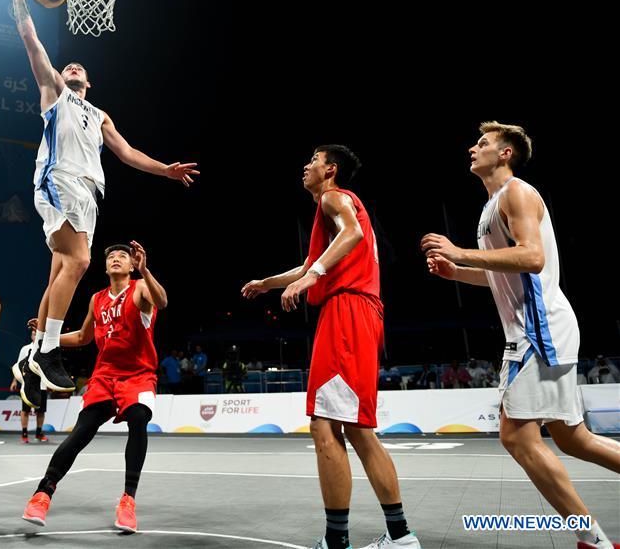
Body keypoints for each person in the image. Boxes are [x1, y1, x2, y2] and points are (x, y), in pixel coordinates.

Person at [422, 121, 620, 549]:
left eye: (483, 143)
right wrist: (459, 272)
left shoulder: (517, 193)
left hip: (539, 330)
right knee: (573, 438)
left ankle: (592, 540)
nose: (473, 148)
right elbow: (502, 274)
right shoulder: (491, 204)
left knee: (515, 435)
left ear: (505, 153)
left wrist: (458, 251)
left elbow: (532, 257)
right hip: (541, 329)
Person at [10, 0, 198, 396]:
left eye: (82, 69)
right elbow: (31, 41)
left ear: (90, 83)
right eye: (70, 65)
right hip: (60, 179)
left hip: (90, 194)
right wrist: (20, 1)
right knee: (79, 262)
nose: (74, 67)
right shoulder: (55, 91)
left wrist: (165, 169)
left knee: (60, 267)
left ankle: (33, 352)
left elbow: (128, 154)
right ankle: (47, 353)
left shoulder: (99, 115)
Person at [243, 146, 419, 549]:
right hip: (357, 312)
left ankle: (337, 541)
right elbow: (310, 265)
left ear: (330, 170)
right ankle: (400, 535)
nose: (305, 165)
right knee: (358, 431)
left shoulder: (333, 197)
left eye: (313, 160)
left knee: (325, 426)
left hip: (347, 311)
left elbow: (351, 234)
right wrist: (267, 283)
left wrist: (310, 279)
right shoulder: (330, 209)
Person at [21, 241, 167, 533]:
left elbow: (162, 302)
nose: (116, 258)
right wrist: (48, 338)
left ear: (131, 265)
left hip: (138, 375)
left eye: (122, 256)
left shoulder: (139, 288)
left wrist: (146, 270)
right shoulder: (96, 299)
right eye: (111, 256)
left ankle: (128, 501)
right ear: (105, 266)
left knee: (138, 419)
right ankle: (42, 494)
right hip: (104, 376)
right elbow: (83, 338)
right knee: (82, 431)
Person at [11, 324, 50, 443]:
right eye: (33, 334)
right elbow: (18, 365)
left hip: (42, 386)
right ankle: (24, 433)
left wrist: (48, 382)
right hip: (27, 385)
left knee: (41, 411)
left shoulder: (45, 349)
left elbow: (48, 368)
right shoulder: (25, 349)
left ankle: (39, 433)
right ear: (31, 336)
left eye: (36, 334)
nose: (35, 336)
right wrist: (14, 381)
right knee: (25, 410)